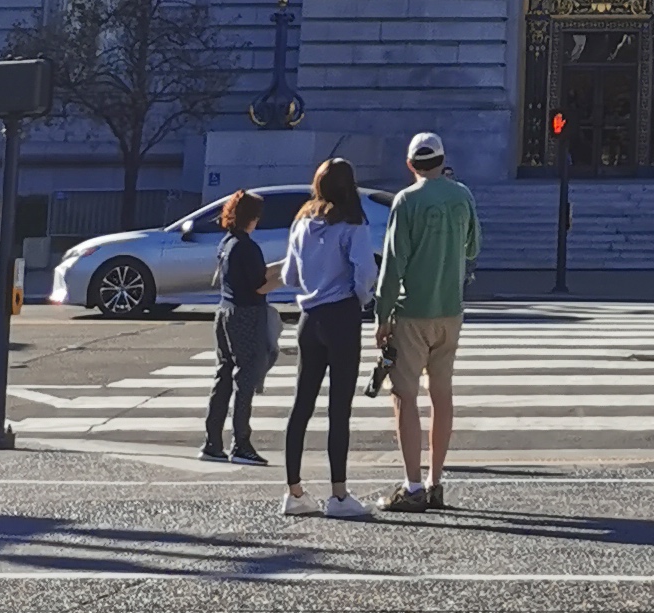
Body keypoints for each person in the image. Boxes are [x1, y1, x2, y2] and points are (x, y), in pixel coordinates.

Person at [372, 128, 479, 514]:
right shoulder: (462, 195)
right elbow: (473, 246)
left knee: (404, 396)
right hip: (451, 309)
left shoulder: (406, 200)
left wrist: (382, 315)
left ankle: (412, 484)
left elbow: (393, 262)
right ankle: (435, 482)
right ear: (442, 160)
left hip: (413, 310)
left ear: (410, 164)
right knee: (442, 395)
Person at [278, 156, 377, 518]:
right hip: (342, 314)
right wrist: (361, 297)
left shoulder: (302, 222)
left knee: (301, 404)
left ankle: (294, 491)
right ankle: (338, 494)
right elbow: (365, 272)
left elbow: (289, 275)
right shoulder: (352, 223)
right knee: (339, 408)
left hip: (309, 316)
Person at [199, 190, 271, 466]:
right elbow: (259, 285)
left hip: (225, 311)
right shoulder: (248, 247)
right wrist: (287, 277)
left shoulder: (227, 242)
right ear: (252, 218)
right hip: (246, 313)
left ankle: (212, 441)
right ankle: (241, 443)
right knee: (246, 376)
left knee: (224, 374)